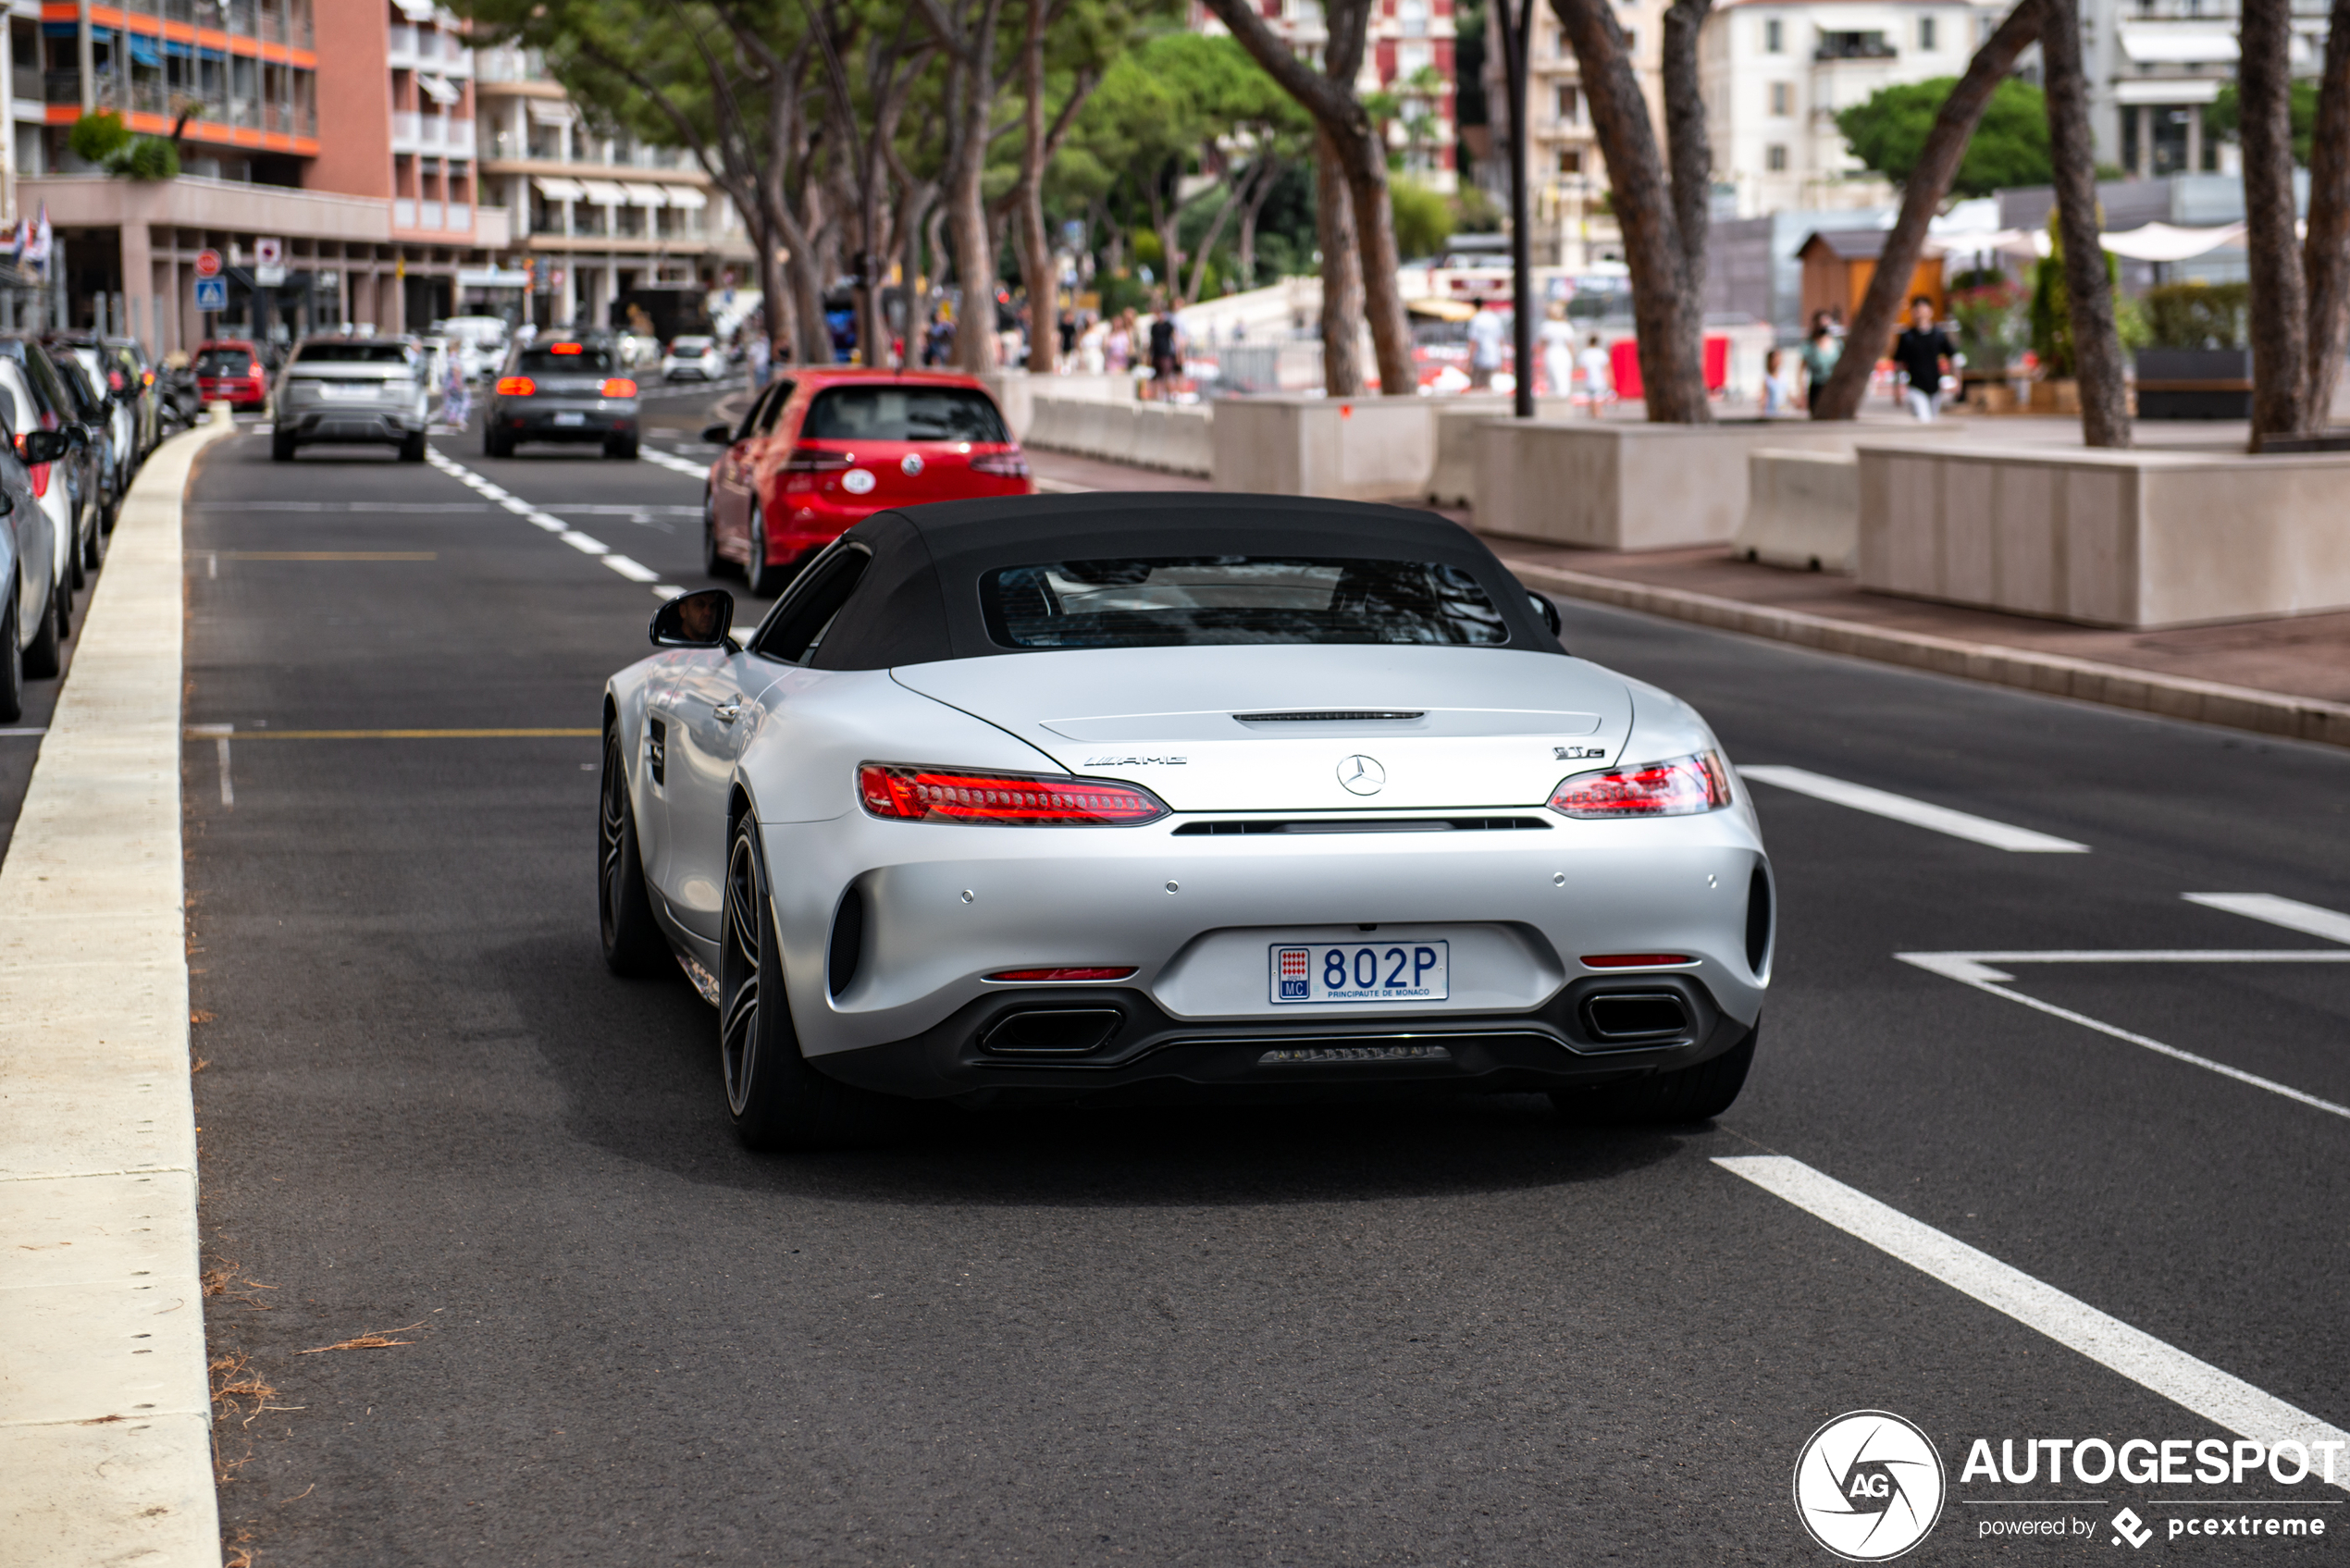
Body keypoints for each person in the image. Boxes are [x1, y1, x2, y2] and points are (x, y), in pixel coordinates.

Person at [1892, 295, 1957, 421]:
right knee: (1924, 419)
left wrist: (1955, 380)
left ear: (1930, 311)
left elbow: (1952, 357)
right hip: (1915, 386)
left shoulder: (1938, 335)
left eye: (1923, 310)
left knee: (1932, 419)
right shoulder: (1907, 336)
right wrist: (1897, 389)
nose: (1920, 314)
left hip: (1935, 386)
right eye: (1917, 310)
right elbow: (1898, 362)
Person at [1538, 302, 1577, 401]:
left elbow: (1542, 342)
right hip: (1562, 353)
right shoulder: (1566, 326)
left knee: (1554, 379)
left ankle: (1557, 401)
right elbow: (1571, 345)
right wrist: (1573, 358)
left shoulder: (1547, 325)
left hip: (1553, 353)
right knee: (1562, 379)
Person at [1799, 323, 1841, 409]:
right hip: (1817, 386)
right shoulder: (1810, 346)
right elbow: (1801, 369)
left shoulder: (1836, 344)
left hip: (1832, 386)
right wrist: (1802, 392)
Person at [1467, 299, 1505, 390]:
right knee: (1489, 385)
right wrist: (1501, 357)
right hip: (1493, 355)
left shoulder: (1476, 319)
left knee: (1476, 385)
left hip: (1479, 356)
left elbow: (1473, 341)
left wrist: (1469, 360)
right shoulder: (1495, 318)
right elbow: (1500, 339)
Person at [1146, 308, 1181, 401]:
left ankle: (1170, 397)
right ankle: (1157, 397)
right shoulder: (1154, 327)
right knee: (1157, 377)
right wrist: (1149, 355)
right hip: (1156, 354)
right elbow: (1152, 341)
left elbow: (1174, 339)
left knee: (1167, 376)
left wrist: (1178, 354)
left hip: (1166, 354)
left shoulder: (1168, 325)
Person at [1577, 332, 1613, 415]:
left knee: (1592, 399)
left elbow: (1581, 367)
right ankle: (1598, 416)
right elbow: (1607, 367)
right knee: (1597, 400)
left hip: (1589, 379)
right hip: (1600, 379)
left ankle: (1595, 416)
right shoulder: (1601, 353)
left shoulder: (1585, 353)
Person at [1762, 349, 1796, 415]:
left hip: (1783, 411)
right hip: (1771, 412)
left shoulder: (1784, 375)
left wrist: (1794, 402)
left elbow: (1787, 392)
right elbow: (1763, 395)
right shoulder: (1767, 377)